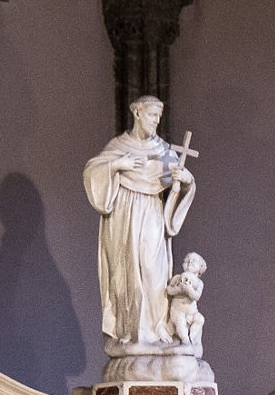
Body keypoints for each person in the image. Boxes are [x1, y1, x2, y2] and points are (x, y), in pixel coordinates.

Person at [83, 96, 196, 350]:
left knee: (153, 267)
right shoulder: (119, 146)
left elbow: (178, 183)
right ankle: (131, 331)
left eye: (159, 116)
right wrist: (117, 165)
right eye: (152, 115)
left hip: (151, 212)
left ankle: (156, 327)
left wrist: (186, 182)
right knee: (125, 272)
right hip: (123, 216)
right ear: (136, 112)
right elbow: (92, 171)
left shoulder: (164, 150)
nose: (156, 121)